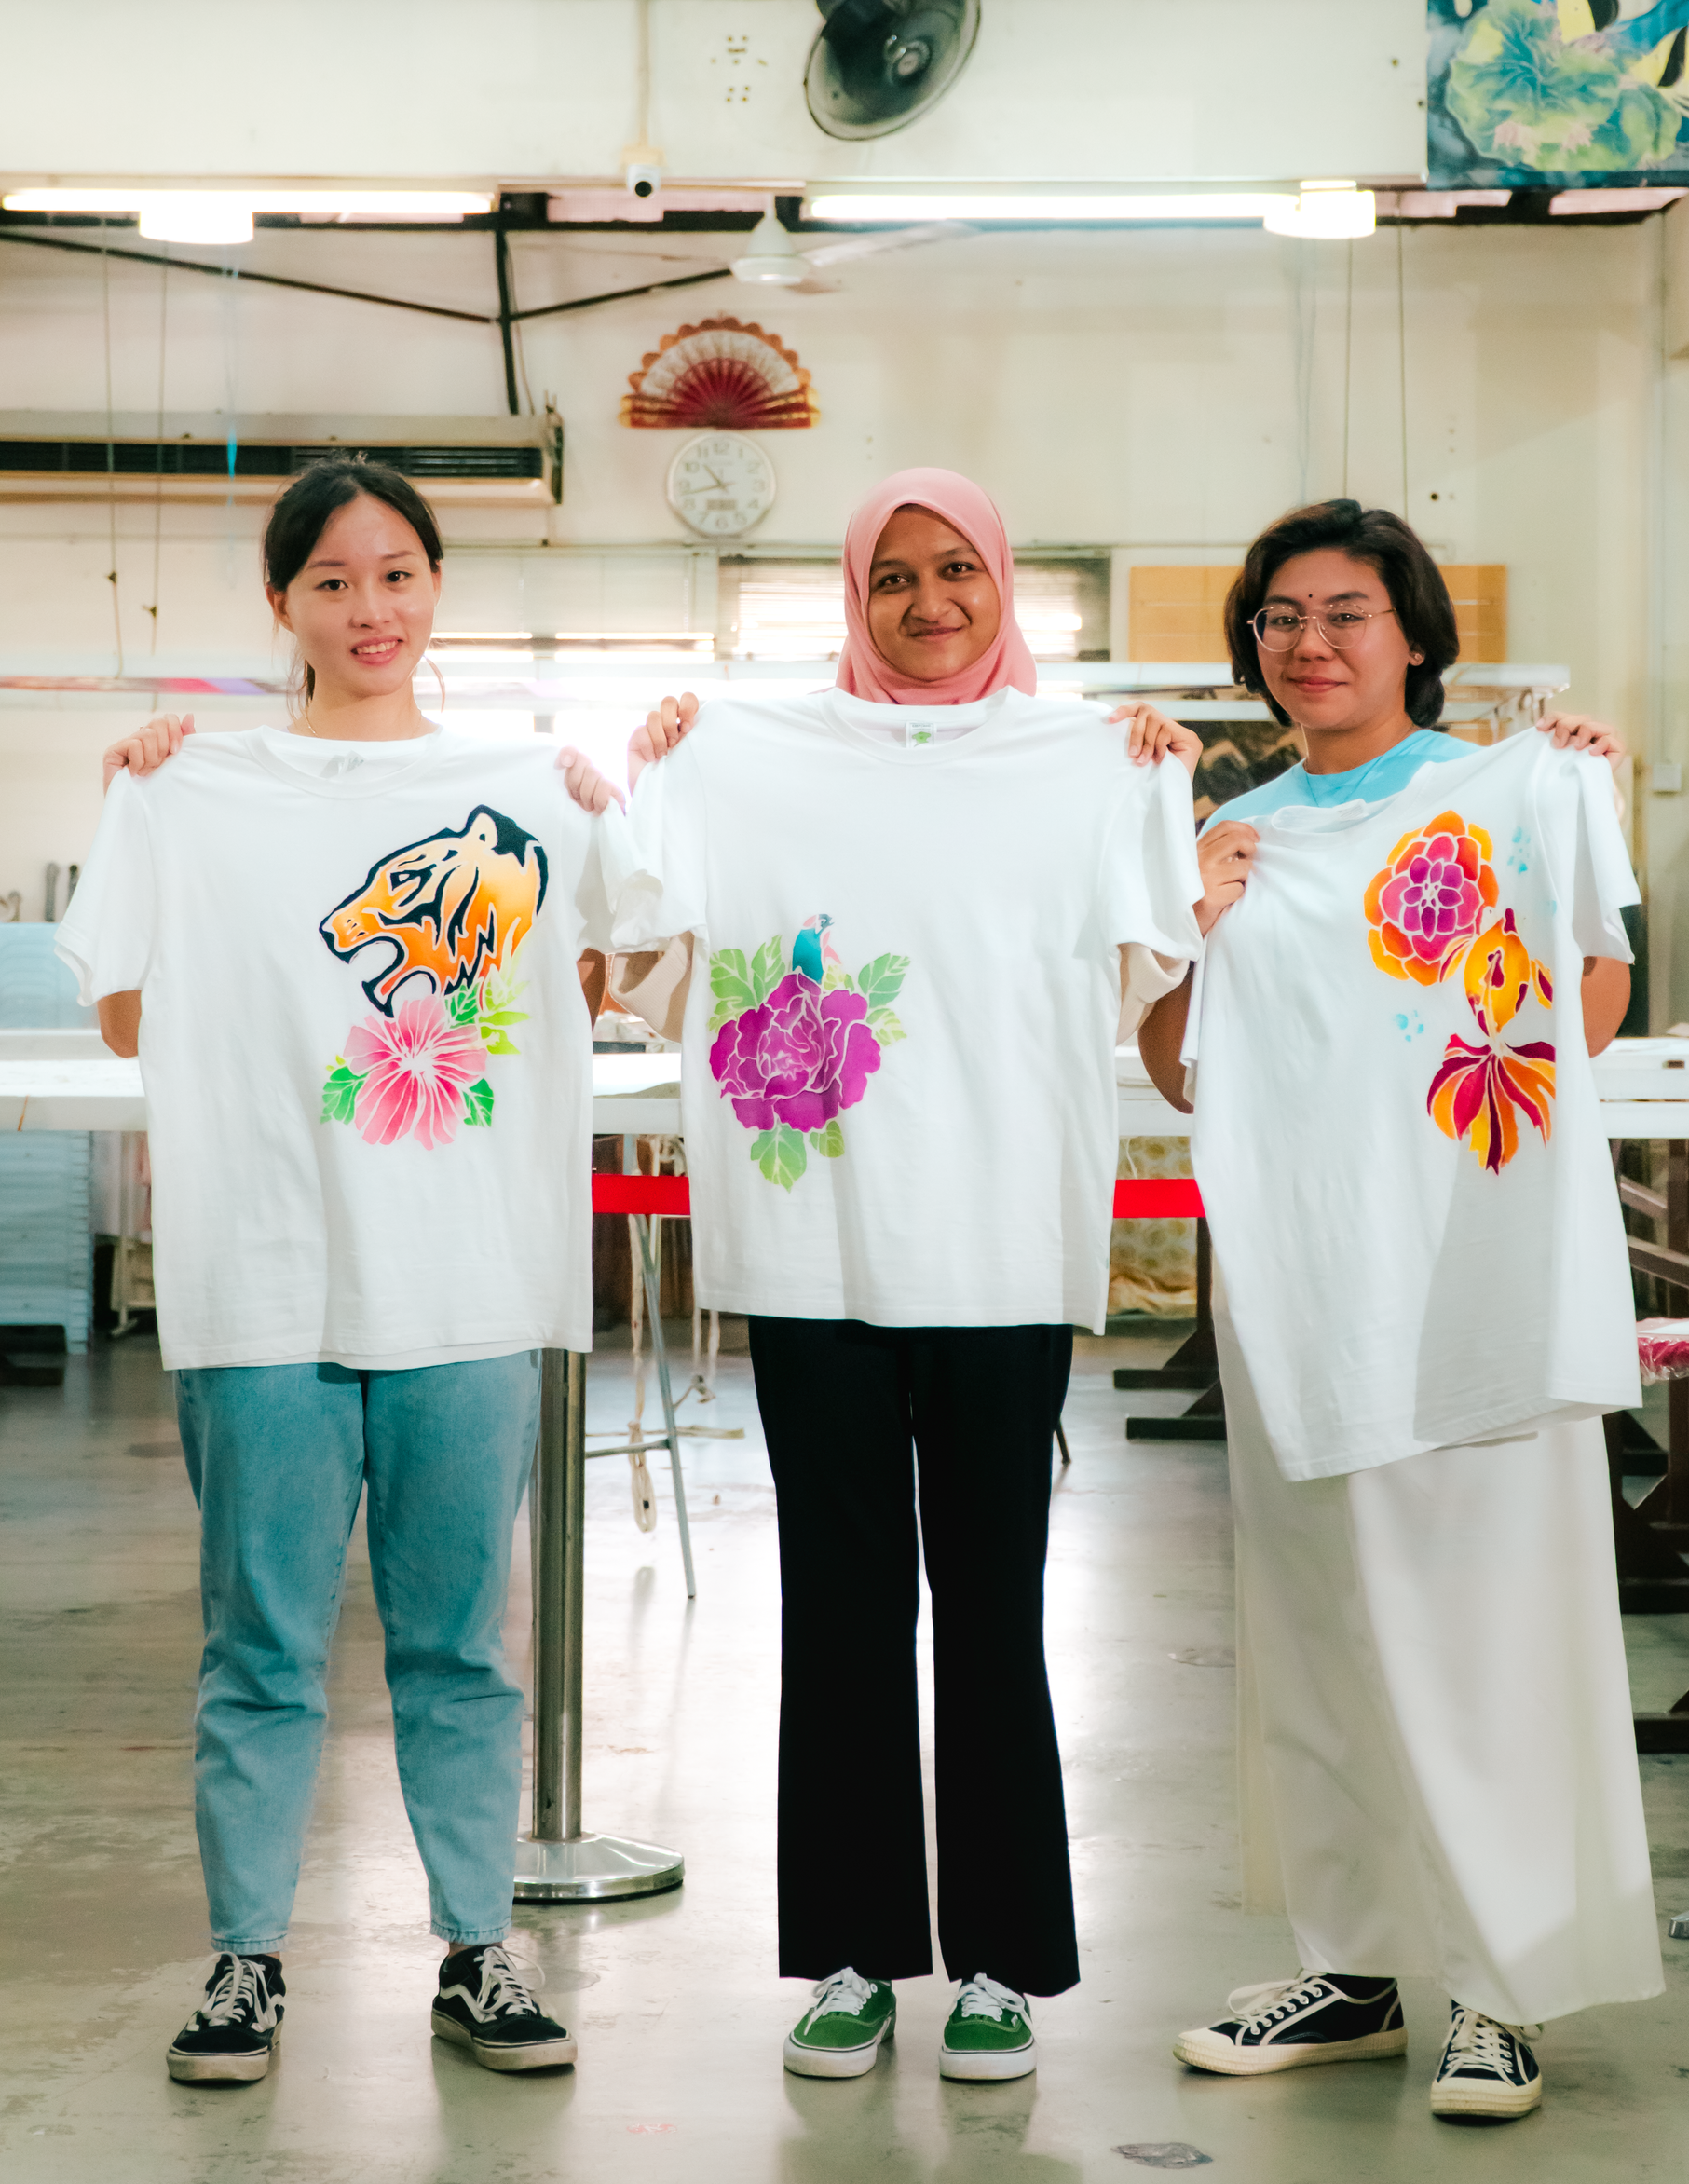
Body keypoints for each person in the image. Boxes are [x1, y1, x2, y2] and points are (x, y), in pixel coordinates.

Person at [604, 468, 1205, 2085]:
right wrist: (661, 763)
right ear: (852, 600)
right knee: (845, 1610)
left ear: (1004, 586)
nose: (930, 603)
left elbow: (1166, 962)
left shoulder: (1093, 763)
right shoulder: (744, 758)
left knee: (996, 1611)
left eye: (958, 572)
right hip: (814, 1261)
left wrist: (1151, 774)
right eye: (892, 578)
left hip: (1003, 1254)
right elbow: (631, 937)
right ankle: (856, 1955)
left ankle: (1004, 1962)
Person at [63, 458, 635, 2086]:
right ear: (282, 606)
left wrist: (609, 798)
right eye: (331, 580)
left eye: (396, 574)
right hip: (264, 1287)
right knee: (261, 1643)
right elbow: (126, 1010)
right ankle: (246, 1960)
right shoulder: (188, 787)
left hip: (465, 1283)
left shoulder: (525, 791)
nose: (368, 608)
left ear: (437, 589)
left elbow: (632, 948)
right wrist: (151, 803)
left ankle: (479, 1951)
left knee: (461, 1640)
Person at [1137, 498, 1660, 2126]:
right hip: (1306, 1285)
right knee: (1314, 1625)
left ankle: (1504, 1988)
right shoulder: (1242, 835)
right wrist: (1191, 923)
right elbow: (1178, 1068)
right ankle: (1351, 1964)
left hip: (1467, 1274)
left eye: (1347, 611)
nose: (1311, 643)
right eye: (1282, 617)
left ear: (1415, 636)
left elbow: (1589, 988)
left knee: (1490, 1617)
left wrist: (1573, 792)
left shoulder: (1502, 789)